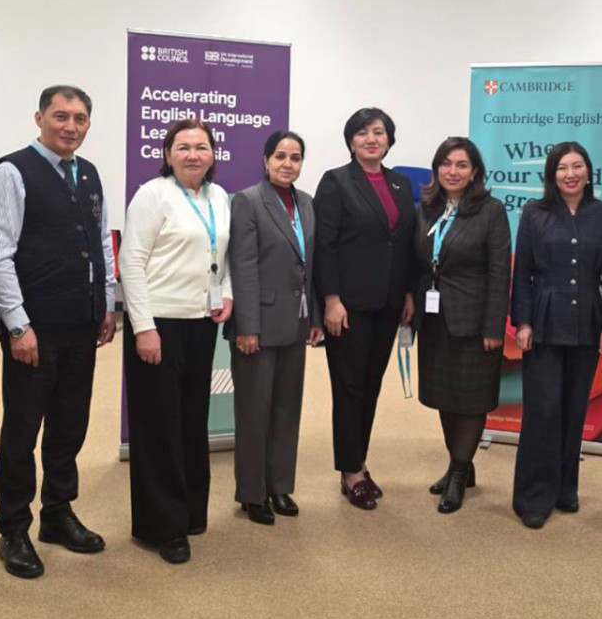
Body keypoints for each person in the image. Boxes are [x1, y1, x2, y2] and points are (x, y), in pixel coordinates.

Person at [0, 85, 117, 579]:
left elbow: (101, 242)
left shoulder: (90, 172)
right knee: (22, 431)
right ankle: (13, 528)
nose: (70, 126)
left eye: (80, 119)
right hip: (34, 330)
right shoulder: (12, 172)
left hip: (82, 324)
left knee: (69, 424)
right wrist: (17, 325)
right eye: (60, 116)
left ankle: (58, 513)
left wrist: (106, 302)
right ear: (39, 118)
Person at [119, 118, 233, 564]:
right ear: (167, 154)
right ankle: (162, 527)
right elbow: (131, 262)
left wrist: (226, 294)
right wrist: (143, 326)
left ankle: (190, 511)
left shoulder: (219, 197)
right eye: (182, 147)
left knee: (190, 420)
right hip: (158, 324)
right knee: (158, 426)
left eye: (201, 147)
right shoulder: (153, 194)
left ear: (213, 154)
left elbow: (222, 258)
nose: (192, 155)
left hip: (200, 323)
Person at [511, 142, 602, 529]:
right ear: (552, 174)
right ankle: (533, 496)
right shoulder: (535, 213)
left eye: (577, 166)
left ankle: (564, 488)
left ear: (589, 172)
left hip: (588, 323)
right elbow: (523, 273)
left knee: (575, 408)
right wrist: (523, 322)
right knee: (543, 410)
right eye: (562, 167)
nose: (570, 174)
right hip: (543, 322)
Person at [313, 107, 417, 510]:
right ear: (350, 141)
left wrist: (408, 292)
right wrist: (331, 299)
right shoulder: (336, 181)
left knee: (371, 385)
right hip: (349, 305)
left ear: (389, 139)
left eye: (379, 132)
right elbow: (325, 245)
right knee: (349, 386)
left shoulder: (400, 183)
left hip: (389, 303)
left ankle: (359, 460)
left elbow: (404, 243)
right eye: (362, 133)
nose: (371, 139)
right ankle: (350, 471)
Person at [226, 130, 324, 525]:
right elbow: (243, 265)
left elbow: (310, 266)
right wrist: (247, 326)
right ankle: (252, 494)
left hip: (296, 323)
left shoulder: (307, 202)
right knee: (254, 413)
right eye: (280, 156)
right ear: (265, 161)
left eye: (295, 157)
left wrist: (314, 317)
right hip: (258, 326)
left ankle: (280, 485)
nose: (288, 164)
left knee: (287, 409)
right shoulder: (247, 201)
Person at [412, 137, 510, 514]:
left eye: (462, 165)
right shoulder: (426, 208)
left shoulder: (491, 211)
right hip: (434, 319)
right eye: (446, 163)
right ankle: (460, 464)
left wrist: (493, 327)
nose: (453, 171)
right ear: (437, 168)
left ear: (474, 172)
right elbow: (418, 262)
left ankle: (457, 472)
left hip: (474, 319)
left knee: (470, 399)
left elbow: (500, 273)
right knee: (444, 395)